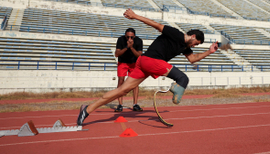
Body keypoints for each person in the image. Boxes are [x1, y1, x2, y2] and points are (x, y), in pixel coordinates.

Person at [77, 8, 219, 125]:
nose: (195, 46)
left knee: (121, 91)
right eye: (197, 43)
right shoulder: (176, 33)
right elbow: (156, 25)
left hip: (144, 64)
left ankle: (87, 110)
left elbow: (193, 59)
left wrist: (209, 51)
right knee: (182, 78)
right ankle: (175, 88)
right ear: (193, 36)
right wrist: (135, 16)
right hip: (151, 61)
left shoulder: (184, 47)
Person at [114, 28, 143, 112]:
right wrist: (127, 47)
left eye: (131, 37)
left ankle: (135, 104)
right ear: (125, 35)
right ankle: (120, 104)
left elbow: (139, 56)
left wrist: (131, 48)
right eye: (127, 37)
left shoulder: (138, 41)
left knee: (135, 83)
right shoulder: (120, 39)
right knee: (121, 81)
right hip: (122, 62)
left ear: (134, 36)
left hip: (134, 63)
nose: (129, 39)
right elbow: (117, 54)